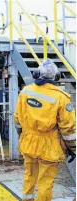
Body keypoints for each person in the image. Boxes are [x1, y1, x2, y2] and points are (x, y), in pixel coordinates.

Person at [14, 59, 76, 201]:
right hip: (49, 146)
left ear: (37, 74)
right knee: (45, 182)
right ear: (56, 77)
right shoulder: (61, 97)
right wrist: (73, 148)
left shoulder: (25, 92)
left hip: (28, 142)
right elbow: (69, 129)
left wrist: (23, 136)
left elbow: (17, 119)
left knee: (29, 176)